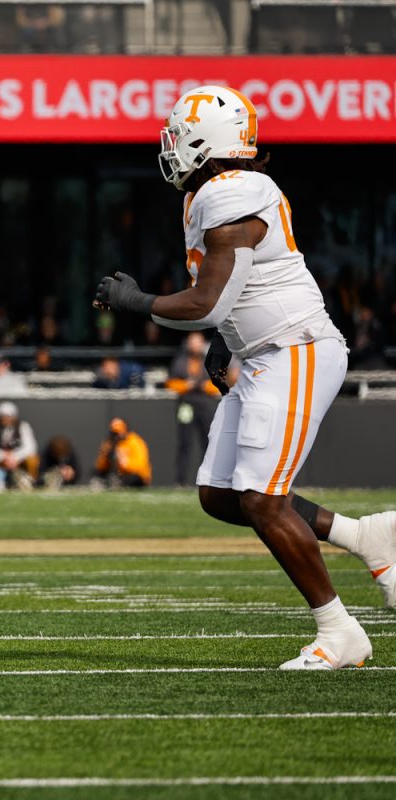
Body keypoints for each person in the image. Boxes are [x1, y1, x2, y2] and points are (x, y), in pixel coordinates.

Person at [94, 84, 396, 670]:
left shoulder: (234, 194)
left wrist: (136, 301)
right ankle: (366, 537)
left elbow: (207, 300)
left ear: (208, 143)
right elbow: (234, 294)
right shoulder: (211, 192)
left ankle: (339, 632)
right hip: (262, 354)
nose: (172, 146)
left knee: (261, 498)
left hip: (295, 351)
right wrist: (220, 339)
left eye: (180, 136)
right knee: (221, 495)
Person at [165, 331, 221, 485]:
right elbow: (171, 383)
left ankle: (208, 480)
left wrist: (204, 386)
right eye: (192, 342)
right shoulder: (180, 361)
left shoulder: (211, 361)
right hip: (186, 405)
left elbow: (218, 384)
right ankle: (180, 481)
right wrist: (186, 385)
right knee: (185, 442)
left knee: (207, 443)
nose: (195, 345)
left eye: (198, 342)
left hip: (205, 405)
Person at [0, 401, 39, 491]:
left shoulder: (23, 426)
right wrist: (3, 456)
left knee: (32, 460)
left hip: (18, 459)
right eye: (3, 416)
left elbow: (30, 447)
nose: (6, 419)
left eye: (9, 416)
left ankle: (29, 482)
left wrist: (15, 457)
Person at [93, 417, 151, 488]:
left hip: (135, 476)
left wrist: (123, 461)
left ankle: (116, 484)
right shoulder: (110, 443)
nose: (116, 436)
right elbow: (100, 467)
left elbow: (139, 468)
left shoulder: (136, 442)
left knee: (133, 478)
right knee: (97, 474)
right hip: (119, 475)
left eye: (118, 432)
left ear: (125, 430)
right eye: (114, 433)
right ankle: (110, 483)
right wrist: (104, 455)